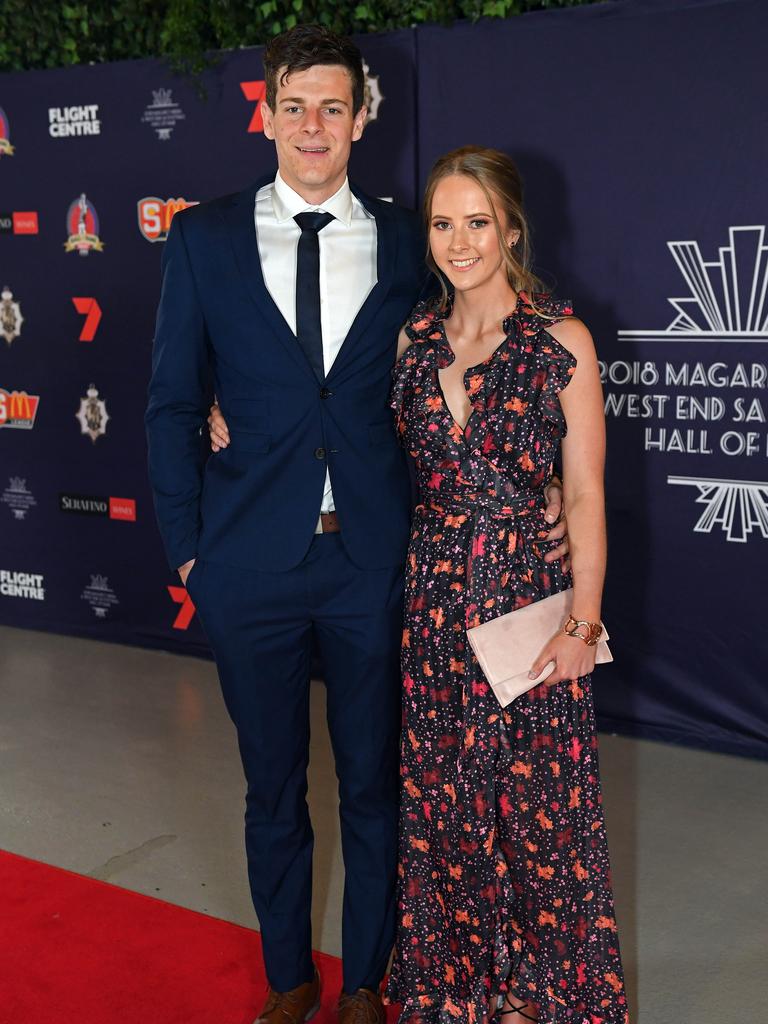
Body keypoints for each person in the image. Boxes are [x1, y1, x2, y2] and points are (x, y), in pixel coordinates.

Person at [147, 22, 568, 1024]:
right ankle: (290, 980)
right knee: (272, 791)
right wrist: (190, 551)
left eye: (333, 105)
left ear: (361, 118)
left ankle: (369, 983)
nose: (313, 124)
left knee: (378, 786)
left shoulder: (405, 238)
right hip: (246, 563)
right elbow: (169, 403)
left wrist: (543, 472)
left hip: (376, 563)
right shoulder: (204, 236)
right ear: (267, 113)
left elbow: (483, 345)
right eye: (294, 105)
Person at [211, 145, 627, 1024]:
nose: (459, 240)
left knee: (540, 822)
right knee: (449, 817)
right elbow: (330, 422)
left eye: (478, 222)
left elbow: (585, 489)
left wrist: (583, 625)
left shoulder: (563, 341)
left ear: (511, 228)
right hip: (433, 612)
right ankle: (462, 994)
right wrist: (228, 409)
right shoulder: (412, 337)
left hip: (529, 610)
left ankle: (537, 1001)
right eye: (443, 223)